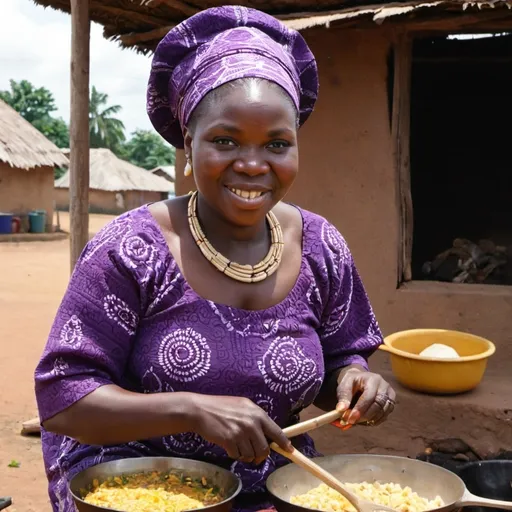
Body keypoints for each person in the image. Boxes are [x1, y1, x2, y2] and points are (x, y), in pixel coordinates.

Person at [34, 6, 396, 512]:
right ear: (188, 143)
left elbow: (341, 357)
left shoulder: (320, 245)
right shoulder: (131, 248)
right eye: (225, 140)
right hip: (136, 485)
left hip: (275, 483)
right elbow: (62, 399)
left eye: (277, 144)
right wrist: (191, 409)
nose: (252, 165)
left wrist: (356, 382)